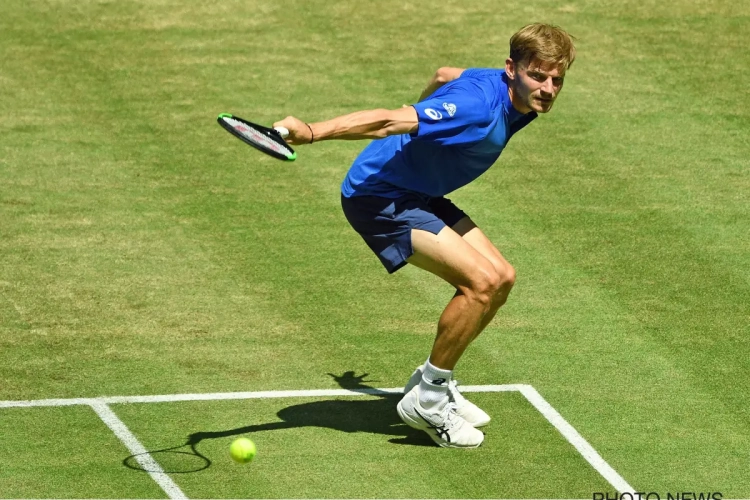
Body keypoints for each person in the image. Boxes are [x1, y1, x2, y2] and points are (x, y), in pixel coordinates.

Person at [273, 23, 576, 448]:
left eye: (556, 79)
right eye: (537, 76)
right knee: (481, 284)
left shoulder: (507, 91)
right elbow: (387, 122)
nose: (547, 88)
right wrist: (311, 130)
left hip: (419, 189)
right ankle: (429, 401)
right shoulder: (476, 107)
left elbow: (444, 73)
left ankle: (428, 382)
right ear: (511, 69)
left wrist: (426, 119)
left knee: (502, 277)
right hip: (380, 197)